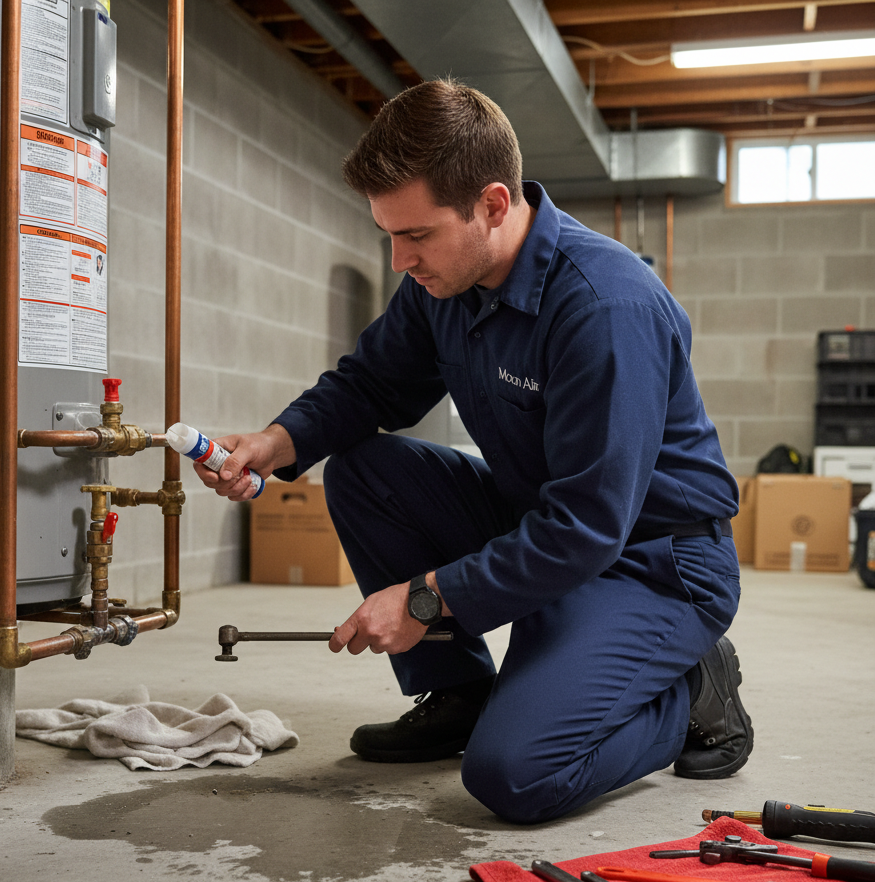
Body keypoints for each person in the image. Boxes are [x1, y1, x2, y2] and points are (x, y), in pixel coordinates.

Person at [191, 79, 753, 825]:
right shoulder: (443, 284)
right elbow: (368, 386)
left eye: (415, 235)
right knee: (364, 469)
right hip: (547, 523)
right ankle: (457, 693)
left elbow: (589, 524)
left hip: (653, 563)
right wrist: (273, 442)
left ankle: (687, 692)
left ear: (491, 204)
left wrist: (427, 598)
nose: (398, 260)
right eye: (389, 234)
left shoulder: (605, 307)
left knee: (517, 775)